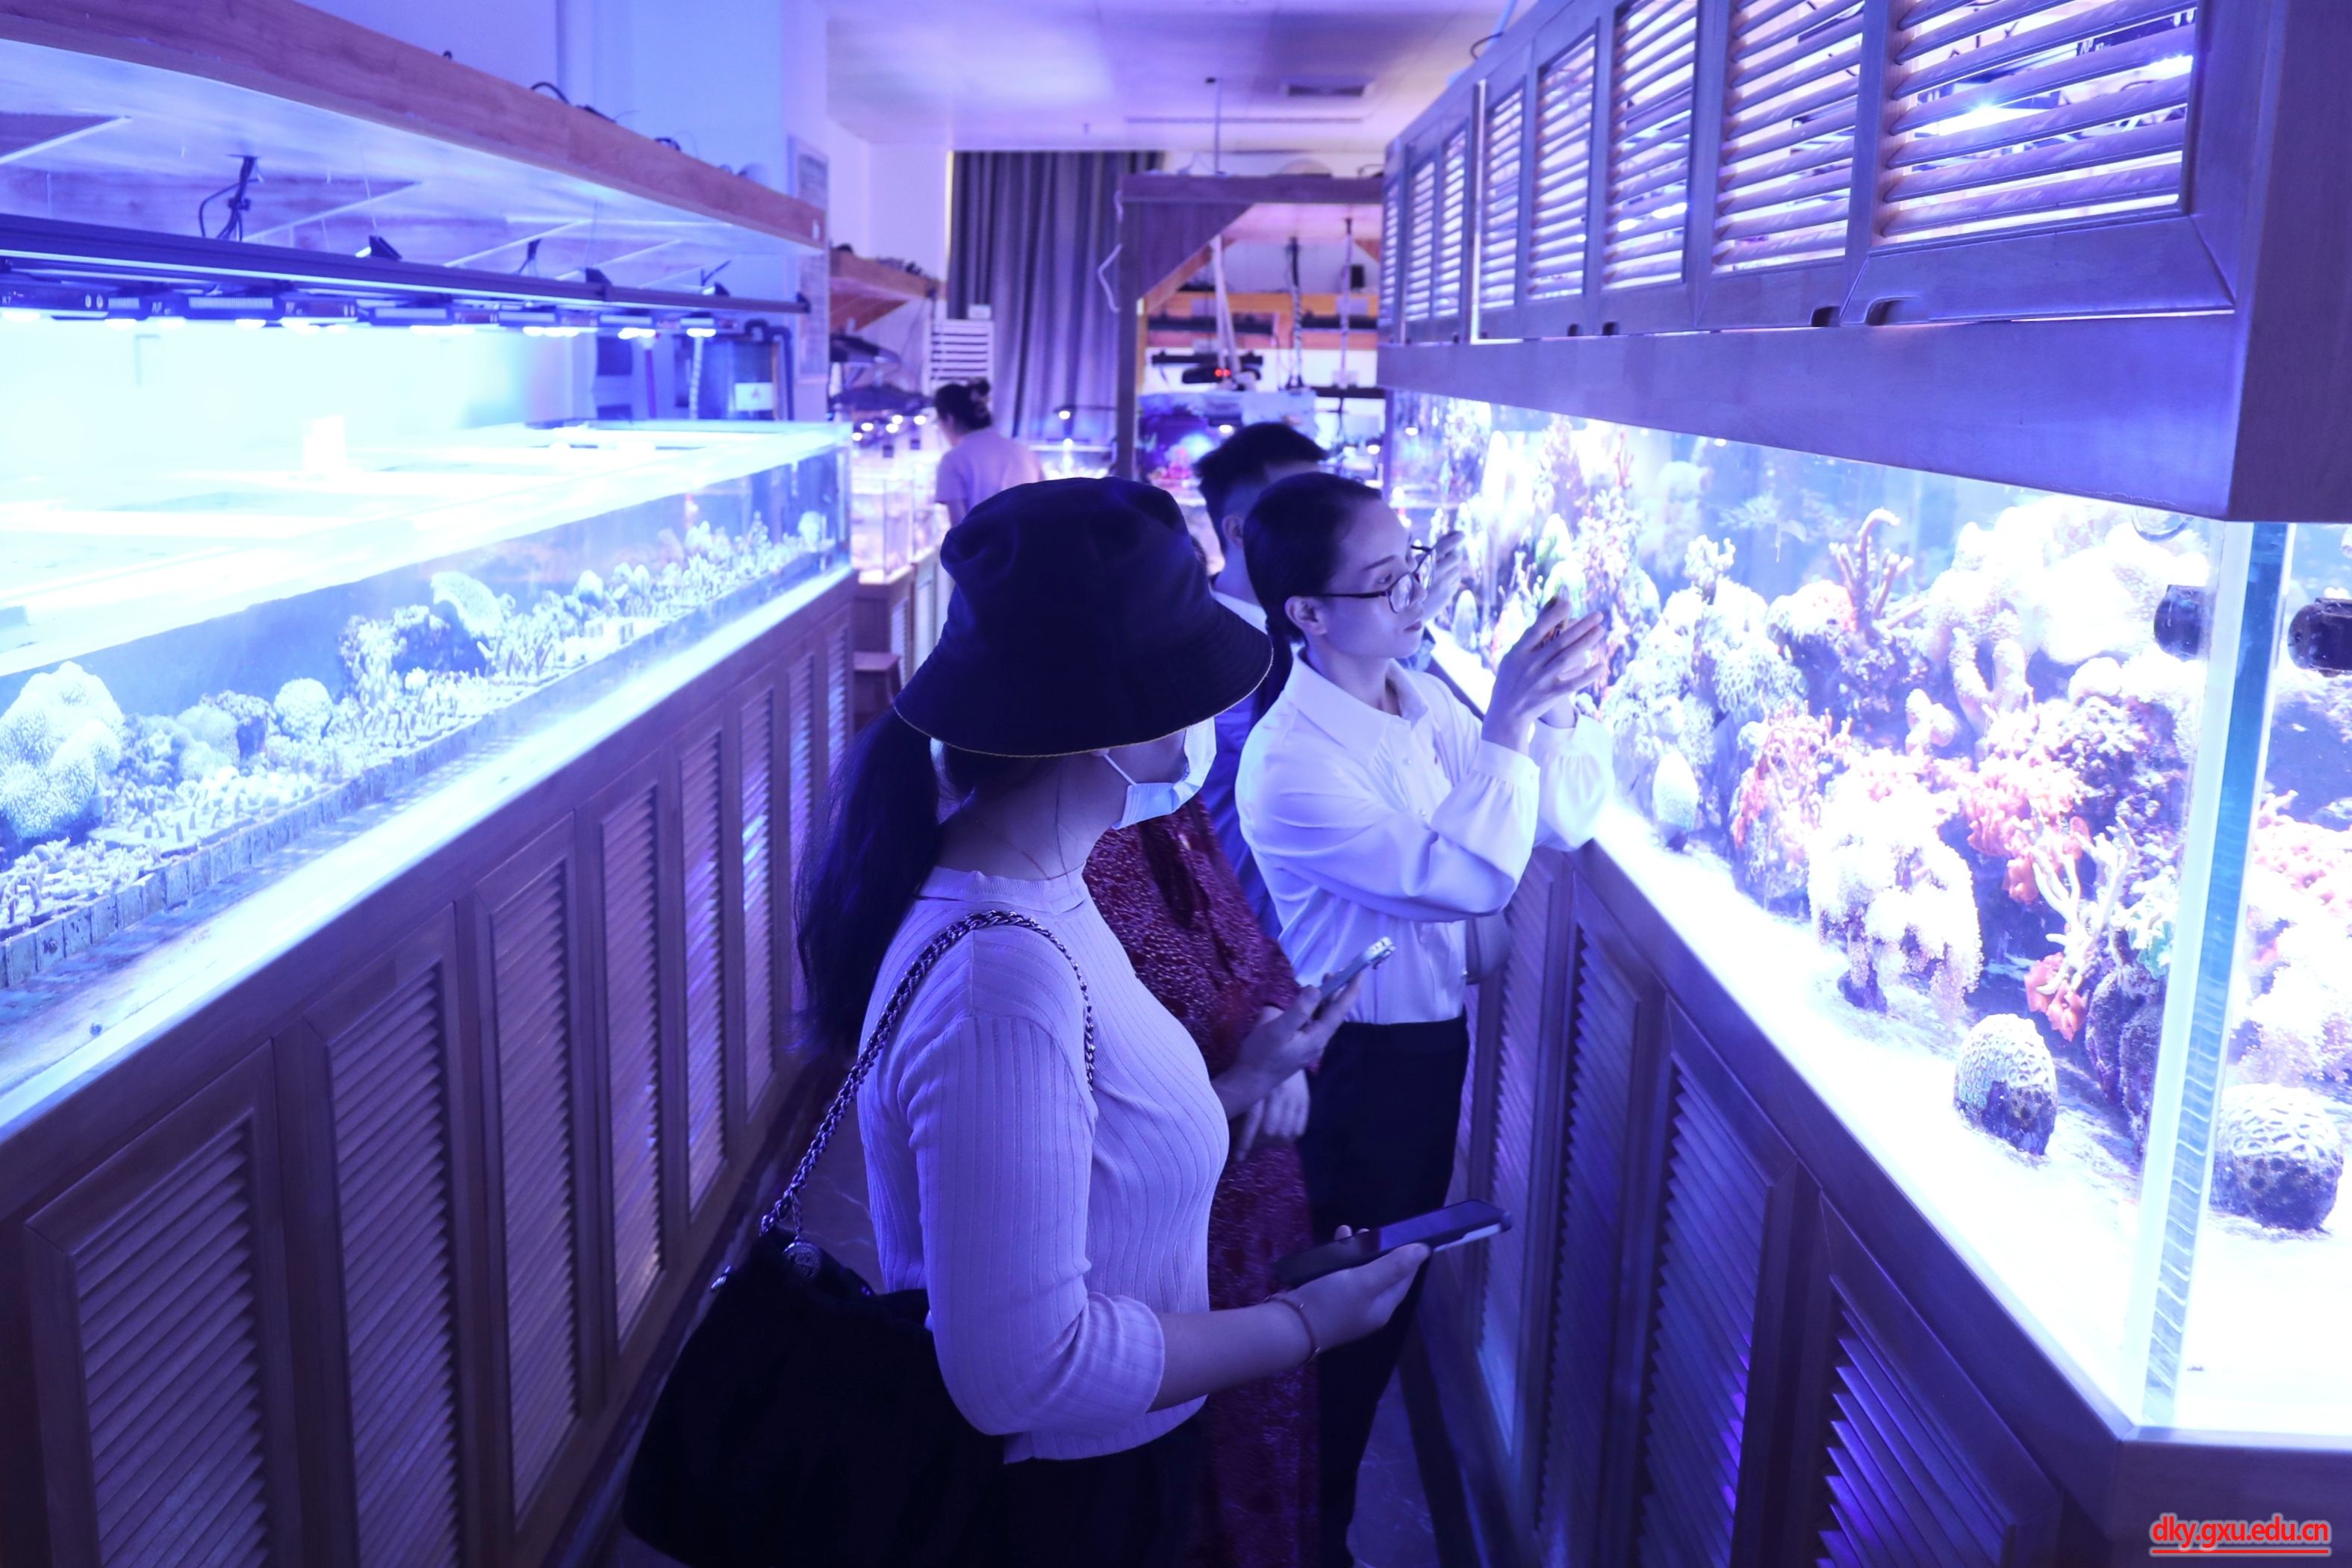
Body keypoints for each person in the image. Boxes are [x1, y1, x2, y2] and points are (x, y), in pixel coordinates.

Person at [796, 476, 1425, 1567]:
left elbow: (1085, 1157)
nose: (1204, 714)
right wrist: (1305, 1327)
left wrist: (1237, 1090)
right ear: (1116, 724)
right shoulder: (1002, 978)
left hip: (1104, 1470)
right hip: (1055, 1503)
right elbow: (1021, 1374)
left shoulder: (1048, 881)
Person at [1235, 472, 1612, 1568]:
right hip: (1351, 1071)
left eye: (1417, 569)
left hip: (1424, 1051)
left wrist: (1559, 698)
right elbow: (1469, 877)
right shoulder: (1290, 762)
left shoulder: (1416, 698)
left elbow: (1565, 818)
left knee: (1377, 1317)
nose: (1417, 597)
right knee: (1338, 1328)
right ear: (1308, 613)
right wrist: (1509, 719)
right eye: (1388, 582)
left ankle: (1315, 1529)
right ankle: (1300, 1539)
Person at [1086, 793, 1329, 1568]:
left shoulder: (1173, 812)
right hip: (1162, 1262)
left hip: (1255, 1229)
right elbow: (1093, 1142)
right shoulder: (1064, 872)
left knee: (1264, 1469)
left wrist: (1280, 1031)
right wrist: (1250, 1081)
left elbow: (1261, 961)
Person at [1193, 423, 1330, 936]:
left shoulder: (1309, 628)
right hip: (1232, 933)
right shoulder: (1201, 649)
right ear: (1238, 531)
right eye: (1301, 510)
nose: (1326, 527)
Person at [931, 379, 1044, 527]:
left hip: (982, 542)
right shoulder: (1026, 453)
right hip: (1027, 540)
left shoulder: (952, 460)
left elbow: (958, 528)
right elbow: (1043, 506)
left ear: (949, 419)